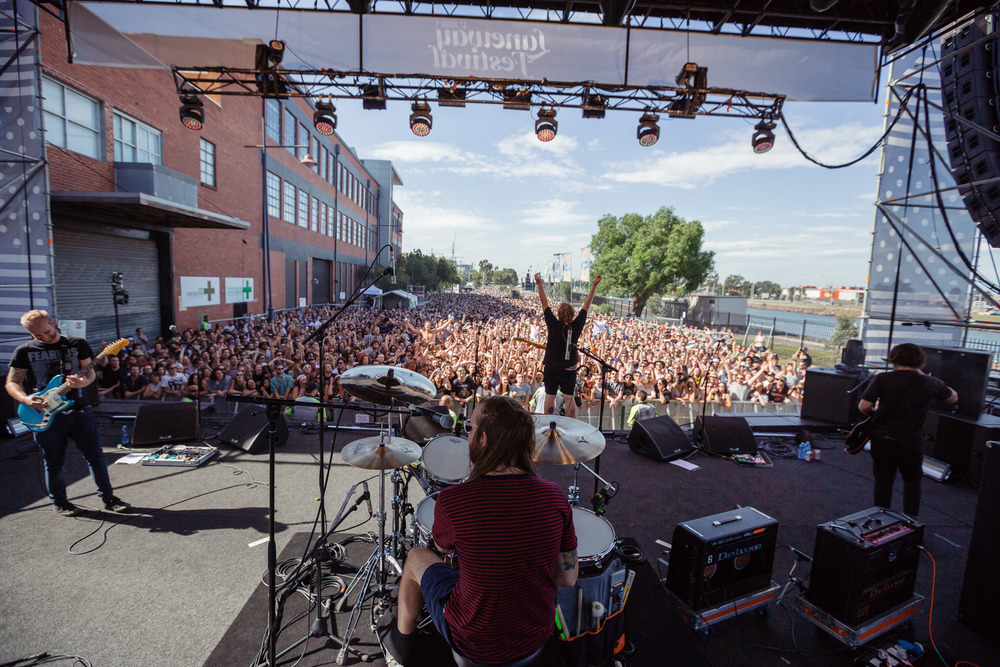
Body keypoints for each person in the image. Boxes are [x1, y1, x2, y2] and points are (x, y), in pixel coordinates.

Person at [379, 396, 578, 665]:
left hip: (472, 641)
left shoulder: (454, 501)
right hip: (535, 637)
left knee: (415, 556)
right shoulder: (555, 497)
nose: (467, 434)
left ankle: (401, 646)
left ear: (483, 439)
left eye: (470, 429)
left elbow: (443, 548)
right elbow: (568, 577)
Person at [6, 310, 129, 516]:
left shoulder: (76, 344)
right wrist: (26, 399)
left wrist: (84, 382)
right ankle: (60, 502)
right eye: (38, 336)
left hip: (79, 410)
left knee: (96, 457)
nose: (45, 337)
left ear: (52, 322)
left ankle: (108, 497)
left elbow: (89, 373)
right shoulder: (23, 351)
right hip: (45, 414)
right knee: (53, 462)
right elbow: (12, 382)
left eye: (47, 331)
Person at [858, 343, 957, 517]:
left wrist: (876, 414)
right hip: (911, 440)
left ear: (893, 358)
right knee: (912, 481)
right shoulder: (930, 382)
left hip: (883, 438)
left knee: (883, 480)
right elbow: (953, 397)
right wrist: (923, 375)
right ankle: (911, 522)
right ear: (920, 361)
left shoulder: (882, 378)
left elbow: (863, 406)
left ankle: (881, 519)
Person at [533, 272, 601, 419]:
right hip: (569, 368)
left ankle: (548, 424)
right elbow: (586, 306)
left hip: (552, 367)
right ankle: (571, 426)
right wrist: (594, 285)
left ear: (558, 314)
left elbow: (544, 303)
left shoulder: (552, 323)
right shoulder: (576, 325)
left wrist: (539, 283)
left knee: (550, 396)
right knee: (569, 398)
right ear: (571, 315)